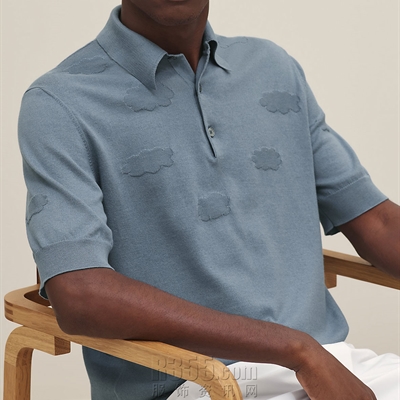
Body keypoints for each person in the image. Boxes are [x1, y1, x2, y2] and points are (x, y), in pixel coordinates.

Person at [18, 1, 399, 399]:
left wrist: (311, 356)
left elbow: (377, 222)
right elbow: (80, 295)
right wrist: (296, 350)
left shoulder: (272, 68)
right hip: (197, 384)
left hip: (335, 365)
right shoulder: (61, 102)